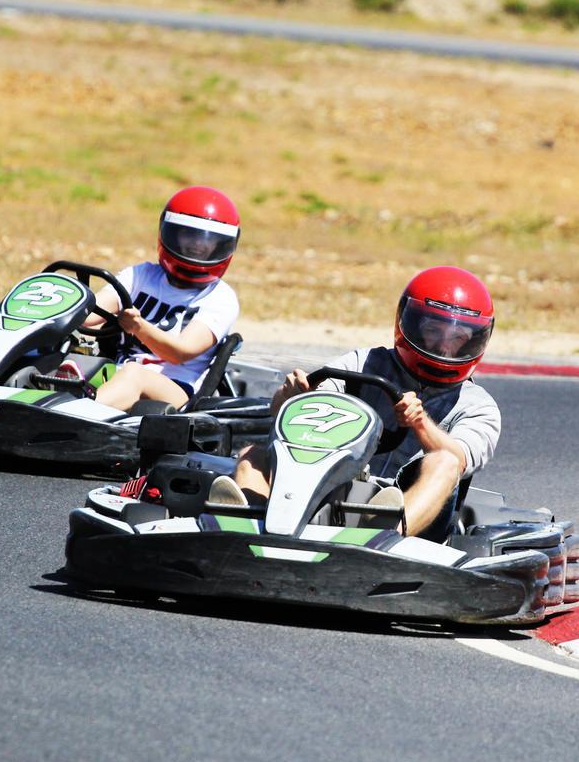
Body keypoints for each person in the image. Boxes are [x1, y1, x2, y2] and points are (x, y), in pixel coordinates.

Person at [211, 265, 500, 541]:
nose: (444, 346)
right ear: (409, 323)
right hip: (335, 493)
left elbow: (459, 461)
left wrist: (420, 423)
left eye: (457, 337)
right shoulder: (366, 363)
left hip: (413, 525)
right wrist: (291, 396)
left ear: (474, 341)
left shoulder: (478, 406)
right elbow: (300, 410)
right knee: (254, 454)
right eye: (434, 330)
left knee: (444, 461)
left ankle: (386, 532)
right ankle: (246, 526)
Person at [78, 185, 242, 411]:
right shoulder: (141, 275)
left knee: (135, 375)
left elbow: (179, 353)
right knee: (69, 353)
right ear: (171, 233)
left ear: (223, 245)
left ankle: (75, 412)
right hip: (119, 374)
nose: (196, 245)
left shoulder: (221, 298)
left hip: (177, 391)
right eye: (189, 235)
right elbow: (89, 316)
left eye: (207, 240)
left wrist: (139, 327)